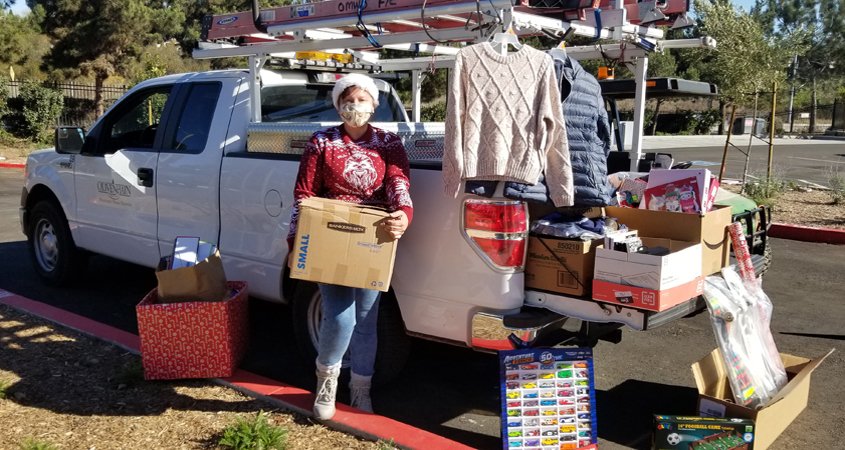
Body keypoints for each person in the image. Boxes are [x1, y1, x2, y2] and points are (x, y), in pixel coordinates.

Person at [286, 73, 413, 420]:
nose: (354, 107)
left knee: (367, 319)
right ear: (338, 104)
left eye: (361, 100)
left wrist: (403, 214)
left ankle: (361, 389)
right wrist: (296, 241)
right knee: (340, 315)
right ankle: (326, 382)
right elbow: (304, 195)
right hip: (331, 236)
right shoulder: (322, 143)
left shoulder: (388, 144)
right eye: (348, 100)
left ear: (374, 104)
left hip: (372, 239)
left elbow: (398, 183)